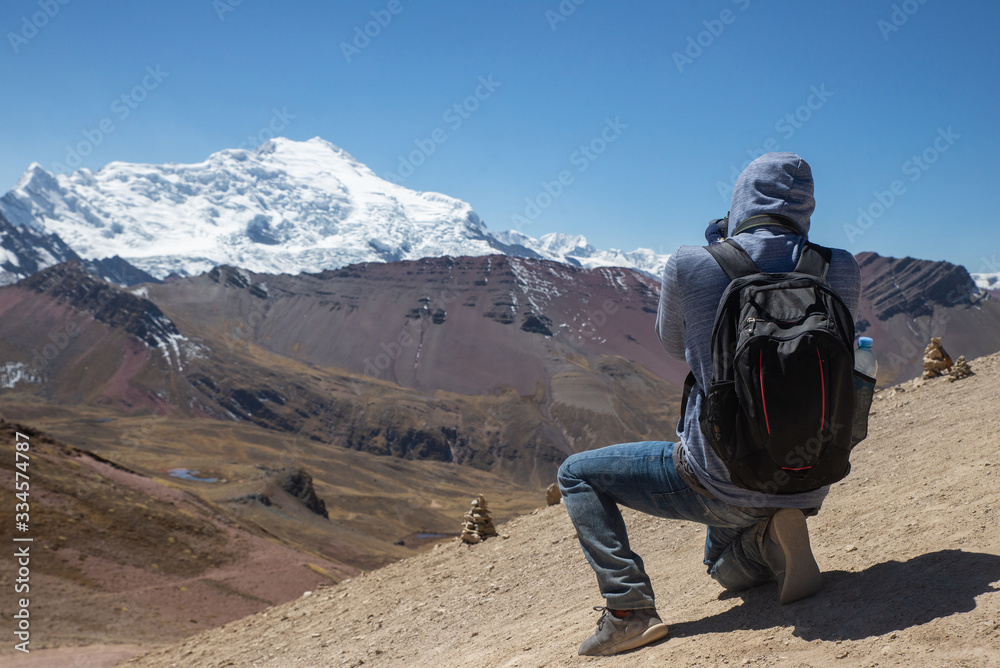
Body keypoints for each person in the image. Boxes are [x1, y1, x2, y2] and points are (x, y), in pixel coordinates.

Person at [558, 152, 862, 657]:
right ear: (807, 205)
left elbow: (674, 345)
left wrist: (716, 254)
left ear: (741, 198)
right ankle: (769, 534)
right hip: (813, 470)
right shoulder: (840, 267)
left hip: (721, 472)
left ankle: (629, 612)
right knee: (721, 562)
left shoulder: (692, 263)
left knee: (576, 473)